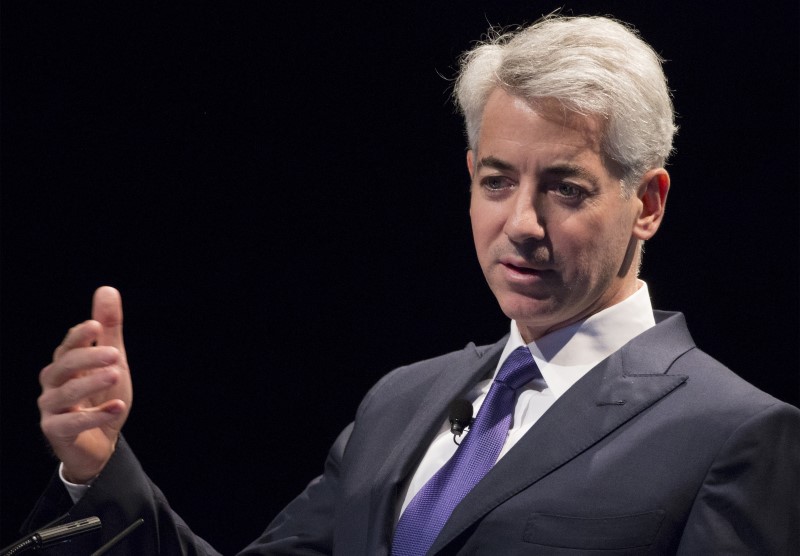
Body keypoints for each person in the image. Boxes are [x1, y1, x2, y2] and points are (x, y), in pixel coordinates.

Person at [23, 14, 799, 555]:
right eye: (498, 182)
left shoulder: (735, 436)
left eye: (566, 188)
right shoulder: (400, 404)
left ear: (648, 204)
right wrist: (96, 468)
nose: (521, 223)